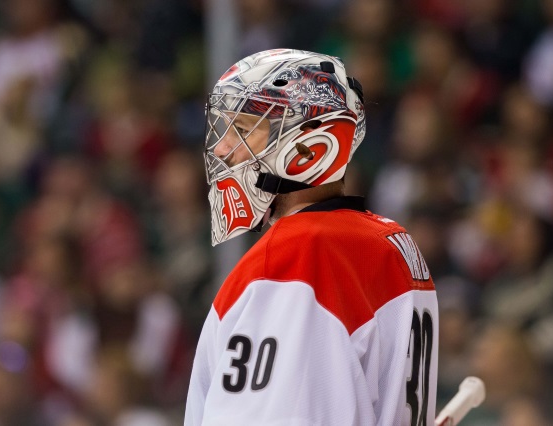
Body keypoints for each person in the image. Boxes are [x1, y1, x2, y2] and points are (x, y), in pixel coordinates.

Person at [185, 49, 438, 425]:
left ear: (307, 149)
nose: (223, 148)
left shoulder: (297, 257)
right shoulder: (395, 244)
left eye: (243, 130)